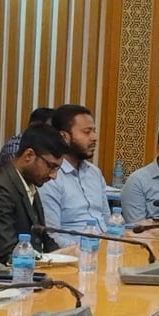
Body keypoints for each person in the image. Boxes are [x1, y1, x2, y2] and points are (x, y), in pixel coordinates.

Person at [0, 123, 64, 263]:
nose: (54, 176)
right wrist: (47, 260)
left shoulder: (29, 183)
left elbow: (43, 238)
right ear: (29, 155)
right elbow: (5, 252)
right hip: (13, 271)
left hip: (32, 267)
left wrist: (65, 255)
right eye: (51, 166)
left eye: (57, 168)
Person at [39, 104, 111, 248]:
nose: (94, 138)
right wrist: (87, 249)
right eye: (87, 132)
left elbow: (108, 222)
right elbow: (52, 236)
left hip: (106, 250)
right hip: (74, 254)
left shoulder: (94, 173)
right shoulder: (51, 177)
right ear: (64, 137)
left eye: (94, 131)